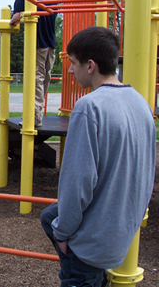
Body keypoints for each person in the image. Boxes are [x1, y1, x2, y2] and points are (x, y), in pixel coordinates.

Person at [40, 27, 156, 286]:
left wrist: (63, 235)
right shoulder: (141, 103)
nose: (70, 70)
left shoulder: (89, 107)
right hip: (120, 227)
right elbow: (148, 169)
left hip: (91, 242)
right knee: (49, 216)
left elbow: (76, 182)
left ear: (90, 65)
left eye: (73, 63)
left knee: (61, 232)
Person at [9, 0, 57, 126]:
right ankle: (37, 113)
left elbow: (16, 16)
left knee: (37, 81)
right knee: (44, 81)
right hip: (51, 44)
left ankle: (34, 117)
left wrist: (11, 22)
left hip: (36, 44)